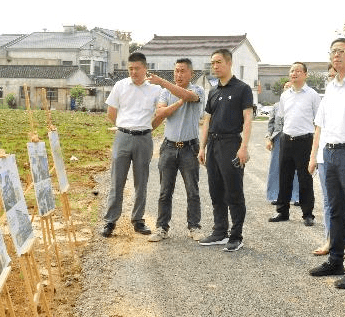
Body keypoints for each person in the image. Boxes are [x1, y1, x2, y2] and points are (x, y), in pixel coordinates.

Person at [307, 38, 345, 289]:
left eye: (341, 51)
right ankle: (335, 260)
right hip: (330, 153)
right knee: (335, 210)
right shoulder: (331, 87)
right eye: (332, 51)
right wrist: (315, 155)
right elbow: (320, 124)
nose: (336, 56)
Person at [100, 52, 162, 238]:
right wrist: (123, 128)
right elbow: (111, 112)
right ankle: (110, 221)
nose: (133, 72)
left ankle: (138, 220)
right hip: (123, 137)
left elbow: (160, 114)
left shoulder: (155, 89)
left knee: (141, 181)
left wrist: (148, 129)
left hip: (144, 139)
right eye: (130, 69)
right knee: (116, 181)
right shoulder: (120, 86)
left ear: (145, 69)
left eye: (137, 68)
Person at [198, 48, 253, 252]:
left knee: (234, 191)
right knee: (216, 190)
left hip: (231, 143)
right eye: (212, 63)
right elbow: (207, 121)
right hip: (213, 144)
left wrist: (243, 147)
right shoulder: (213, 91)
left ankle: (236, 236)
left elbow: (248, 119)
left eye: (219, 62)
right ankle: (220, 231)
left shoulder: (242, 89)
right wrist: (202, 147)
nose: (215, 66)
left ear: (229, 63)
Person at [149, 58, 206, 242]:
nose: (178, 75)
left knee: (192, 191)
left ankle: (194, 227)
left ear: (191, 73)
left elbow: (189, 96)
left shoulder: (198, 90)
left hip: (190, 147)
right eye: (176, 71)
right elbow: (161, 113)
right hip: (168, 147)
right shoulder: (166, 92)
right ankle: (162, 228)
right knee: (165, 191)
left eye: (182, 71)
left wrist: (161, 81)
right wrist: (180, 102)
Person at [269, 62, 321, 226]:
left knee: (305, 178)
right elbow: (282, 117)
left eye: (298, 71)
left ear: (305, 74)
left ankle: (308, 214)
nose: (294, 73)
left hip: (305, 141)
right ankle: (282, 211)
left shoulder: (312, 95)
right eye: (292, 71)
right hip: (286, 139)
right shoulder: (285, 95)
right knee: (284, 176)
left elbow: (318, 120)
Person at [313, 63, 345, 258]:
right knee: (329, 202)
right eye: (329, 76)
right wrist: (313, 156)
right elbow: (318, 129)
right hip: (324, 156)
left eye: (334, 74)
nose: (332, 78)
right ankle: (330, 239)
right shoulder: (327, 96)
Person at [265, 85, 299, 205]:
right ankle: (275, 195)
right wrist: (268, 138)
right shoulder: (276, 106)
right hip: (278, 137)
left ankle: (296, 196)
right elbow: (271, 123)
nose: (287, 88)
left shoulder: (298, 104)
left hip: (295, 138)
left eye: (290, 86)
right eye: (285, 86)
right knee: (276, 167)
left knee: (296, 167)